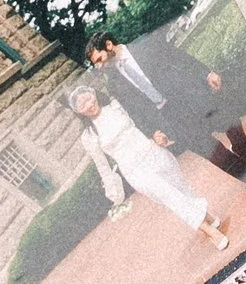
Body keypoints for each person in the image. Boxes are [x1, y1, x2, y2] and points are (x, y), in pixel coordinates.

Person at [68, 83, 229, 245]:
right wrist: (114, 192)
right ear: (79, 112)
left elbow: (141, 121)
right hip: (135, 170)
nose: (89, 105)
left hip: (151, 152)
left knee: (179, 186)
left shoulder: (116, 106)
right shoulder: (88, 136)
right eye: (82, 105)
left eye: (88, 98)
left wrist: (158, 135)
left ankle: (207, 216)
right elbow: (102, 166)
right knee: (169, 196)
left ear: (94, 94)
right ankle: (210, 232)